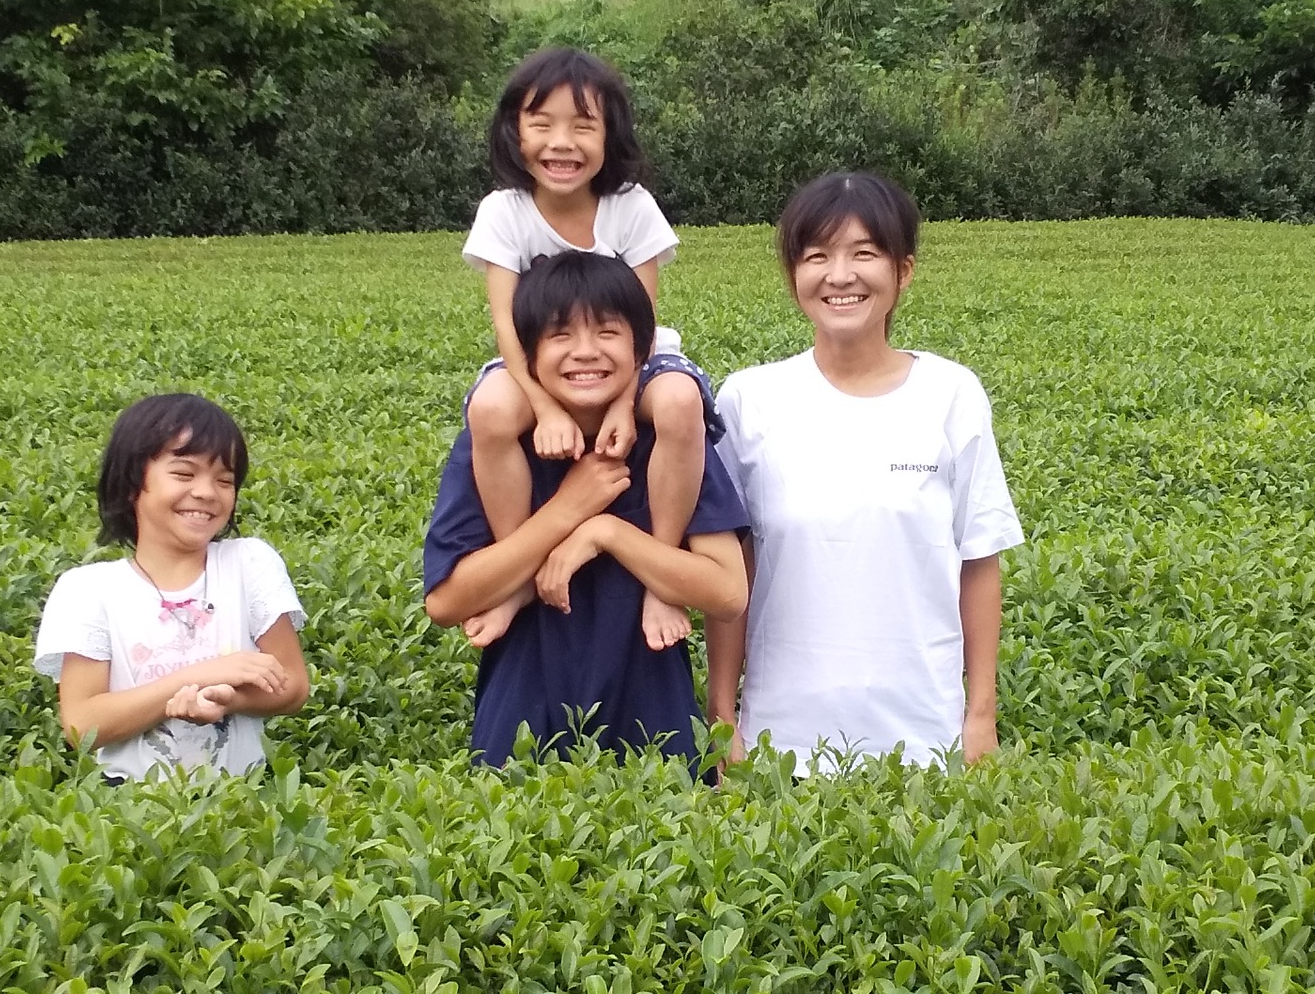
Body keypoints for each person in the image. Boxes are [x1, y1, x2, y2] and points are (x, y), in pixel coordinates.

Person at [705, 172, 1025, 774]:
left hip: (925, 740)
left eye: (864, 254)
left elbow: (979, 560)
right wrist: (724, 715)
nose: (840, 275)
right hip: (781, 742)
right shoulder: (750, 400)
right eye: (817, 256)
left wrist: (980, 715)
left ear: (904, 271)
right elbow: (731, 571)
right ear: (793, 275)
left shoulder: (951, 394)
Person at [424, 251, 749, 769]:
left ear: (642, 348)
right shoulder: (494, 443)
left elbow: (728, 592)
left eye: (607, 333)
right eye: (559, 336)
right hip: (522, 718)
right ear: (526, 356)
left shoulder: (670, 443)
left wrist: (605, 532)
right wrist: (565, 510)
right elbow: (446, 603)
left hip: (654, 716)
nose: (585, 353)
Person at [460, 46, 718, 655]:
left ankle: (663, 575)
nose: (562, 142)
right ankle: (519, 570)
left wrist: (626, 405)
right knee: (493, 412)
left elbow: (644, 325)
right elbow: (506, 323)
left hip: (637, 359)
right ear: (514, 132)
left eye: (583, 125)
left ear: (611, 135)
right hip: (538, 363)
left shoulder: (631, 208)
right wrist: (545, 408)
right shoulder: (505, 211)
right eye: (542, 123)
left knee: (679, 403)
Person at [33, 394, 310, 783]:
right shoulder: (86, 590)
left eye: (225, 480)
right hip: (126, 807)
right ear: (133, 483)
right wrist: (199, 677)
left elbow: (293, 686)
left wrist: (229, 698)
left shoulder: (249, 564)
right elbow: (83, 726)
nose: (206, 492)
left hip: (242, 804)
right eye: (183, 473)